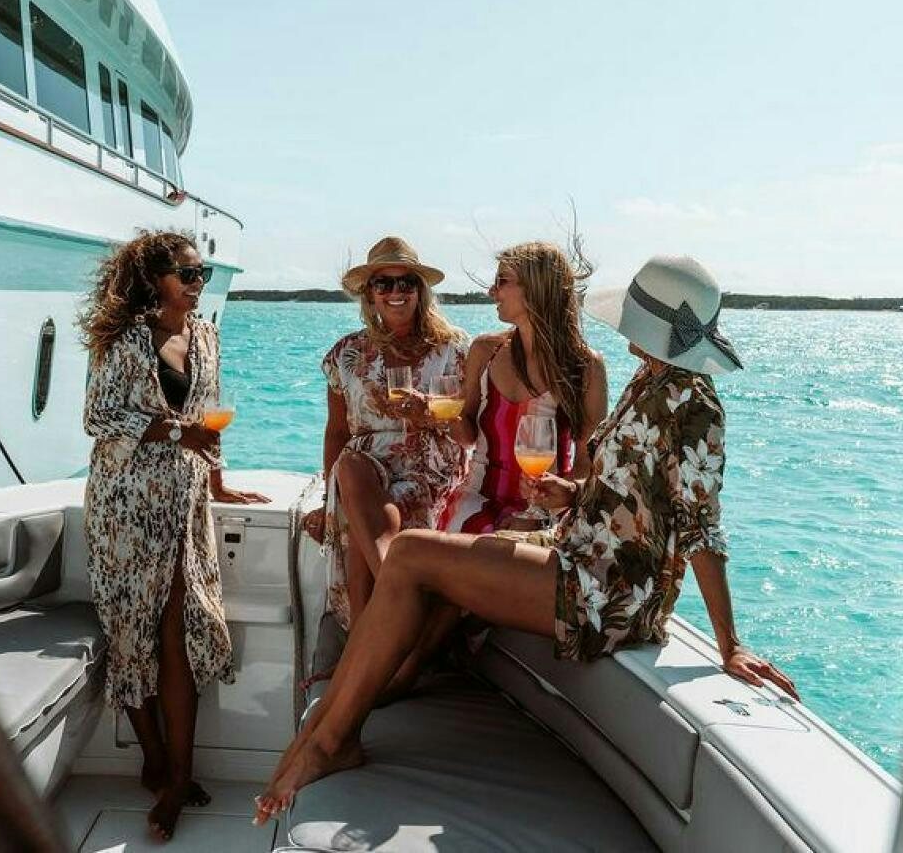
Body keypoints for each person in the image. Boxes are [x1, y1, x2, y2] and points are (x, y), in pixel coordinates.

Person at [254, 255, 798, 824]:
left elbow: (700, 526)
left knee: (412, 552)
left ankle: (331, 737)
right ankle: (330, 724)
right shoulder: (653, 380)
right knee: (430, 551)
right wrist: (573, 496)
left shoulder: (694, 404)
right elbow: (628, 496)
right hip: (572, 548)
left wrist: (729, 643)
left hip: (605, 592)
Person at [79, 230, 265, 843]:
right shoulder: (124, 339)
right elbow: (96, 419)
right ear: (154, 279)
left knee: (180, 628)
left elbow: (208, 418)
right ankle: (154, 760)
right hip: (125, 502)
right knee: (132, 629)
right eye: (187, 274)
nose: (196, 284)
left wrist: (219, 481)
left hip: (183, 501)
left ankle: (178, 776)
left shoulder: (207, 335)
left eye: (202, 274)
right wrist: (169, 434)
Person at [320, 236, 469, 632]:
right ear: (369, 295)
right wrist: (323, 501)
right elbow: (336, 433)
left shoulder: (453, 350)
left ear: (421, 291)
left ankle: (367, 638)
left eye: (406, 283)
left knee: (363, 516)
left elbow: (470, 433)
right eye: (383, 284)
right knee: (350, 468)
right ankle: (394, 610)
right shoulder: (346, 354)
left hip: (430, 462)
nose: (395, 292)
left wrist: (431, 417)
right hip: (365, 466)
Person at [441, 241, 609, 533]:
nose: (492, 291)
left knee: (511, 548)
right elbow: (467, 434)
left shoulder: (585, 367)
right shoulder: (485, 350)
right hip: (477, 499)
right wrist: (440, 418)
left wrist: (563, 490)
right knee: (479, 539)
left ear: (536, 288)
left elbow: (588, 465)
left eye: (502, 281)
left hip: (546, 508)